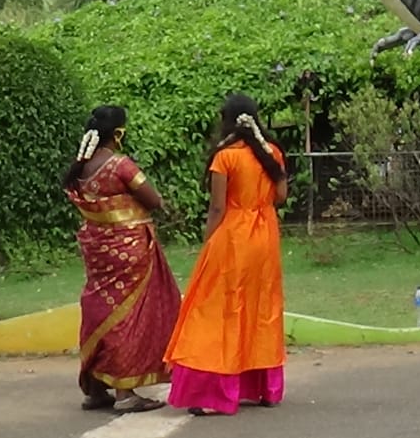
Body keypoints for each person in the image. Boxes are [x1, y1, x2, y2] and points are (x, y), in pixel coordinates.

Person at [165, 94, 290, 416]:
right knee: (260, 307)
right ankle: (265, 389)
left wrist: (208, 242)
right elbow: (280, 196)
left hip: (234, 237)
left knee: (217, 309)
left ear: (227, 120)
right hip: (265, 237)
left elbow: (218, 207)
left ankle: (214, 392)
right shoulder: (271, 152)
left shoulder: (225, 157)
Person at [63, 106, 181, 413]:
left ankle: (96, 388)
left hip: (97, 251)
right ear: (117, 134)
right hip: (129, 251)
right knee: (127, 315)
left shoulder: (82, 167)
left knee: (101, 307)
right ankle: (125, 393)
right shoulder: (121, 165)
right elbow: (152, 199)